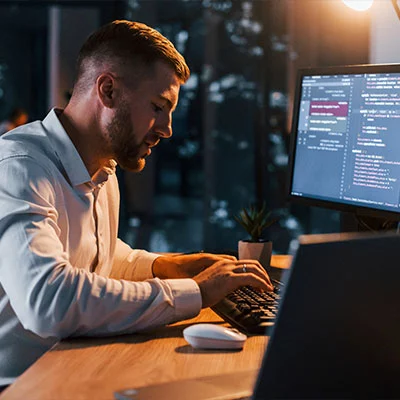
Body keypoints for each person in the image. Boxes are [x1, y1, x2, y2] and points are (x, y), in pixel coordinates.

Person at [0, 20, 273, 387]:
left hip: (74, 367)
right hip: (20, 386)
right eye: (159, 107)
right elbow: (49, 302)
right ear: (108, 90)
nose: (167, 128)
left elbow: (101, 260)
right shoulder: (19, 168)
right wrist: (198, 292)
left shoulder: (103, 168)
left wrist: (172, 266)